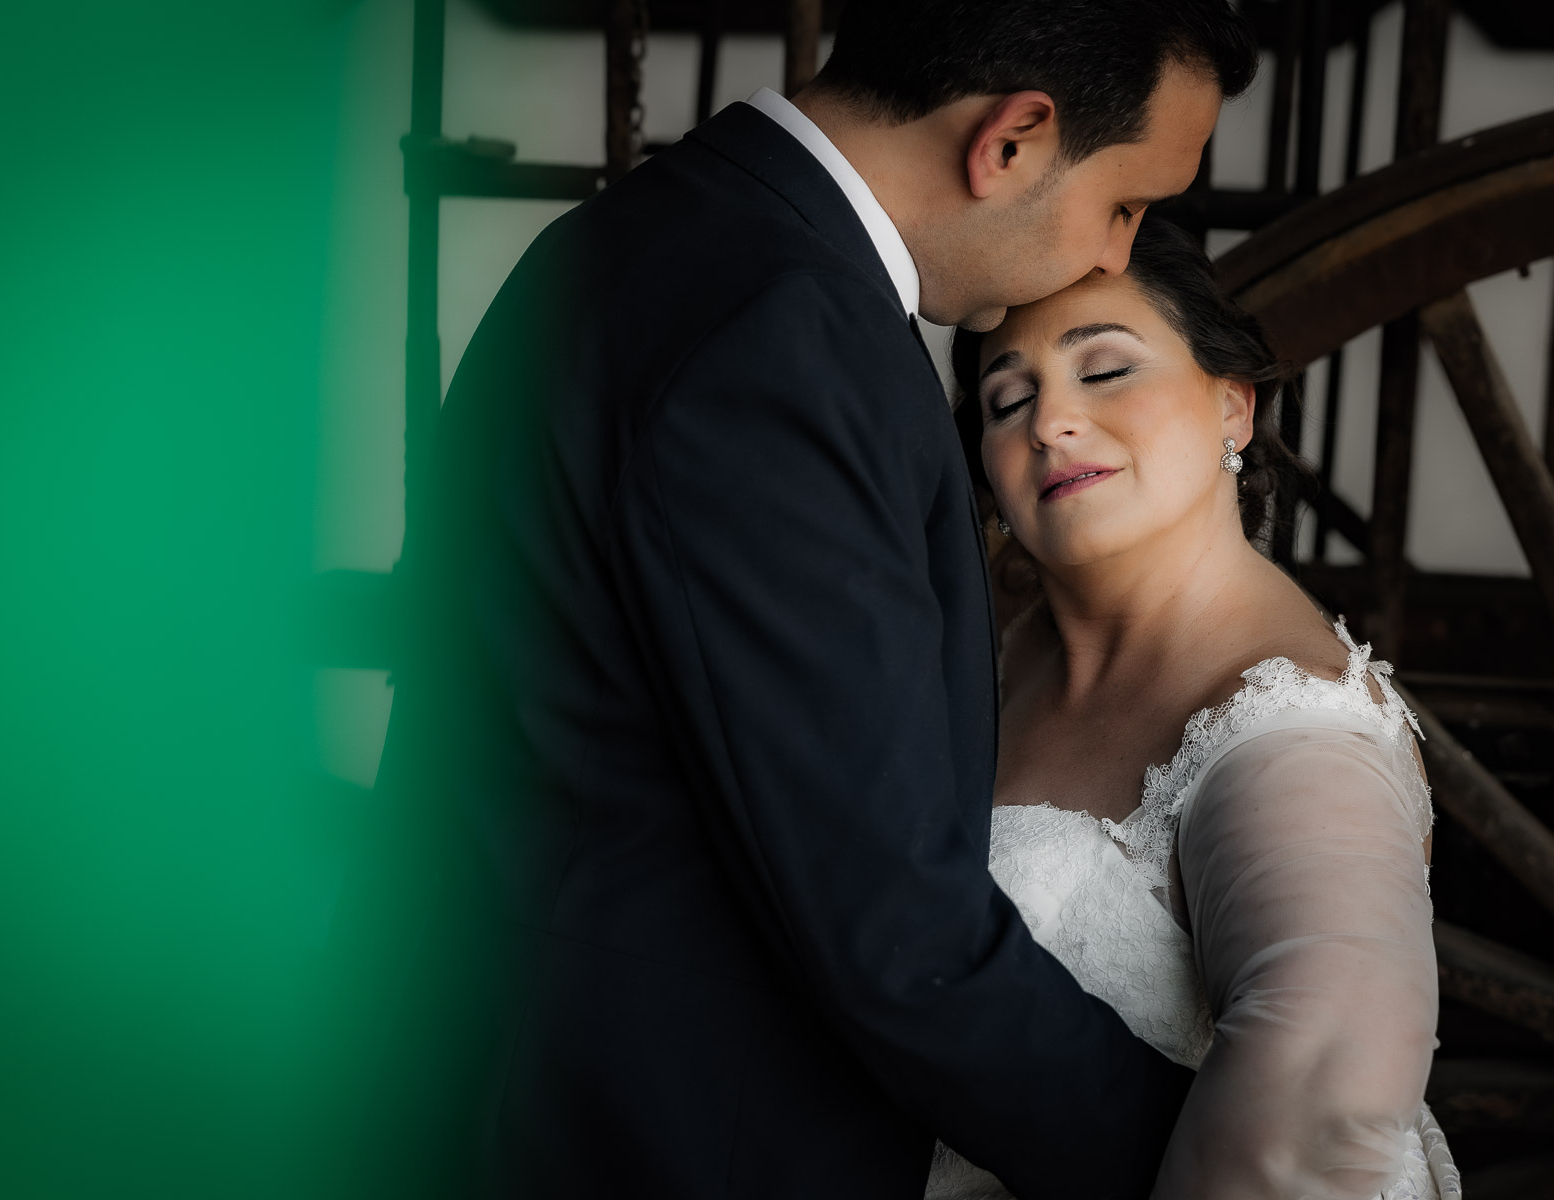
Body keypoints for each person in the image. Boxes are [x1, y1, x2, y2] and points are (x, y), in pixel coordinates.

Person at [370, 3, 1256, 1198]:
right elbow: (891, 929)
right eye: (1125, 204)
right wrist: (1226, 1167)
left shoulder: (639, 239)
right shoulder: (782, 332)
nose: (1115, 255)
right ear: (1012, 142)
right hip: (647, 1142)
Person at [932, 216, 1460, 1198]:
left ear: (1231, 406)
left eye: (1104, 371)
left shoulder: (1292, 731)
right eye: (1009, 399)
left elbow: (1319, 1114)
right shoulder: (1001, 655)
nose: (1050, 422)